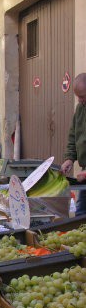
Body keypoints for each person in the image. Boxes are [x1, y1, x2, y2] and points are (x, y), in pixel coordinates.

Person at [61, 73, 86, 215]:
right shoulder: (80, 109)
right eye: (78, 96)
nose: (79, 100)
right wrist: (69, 158)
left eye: (82, 96)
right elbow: (73, 136)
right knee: (80, 215)